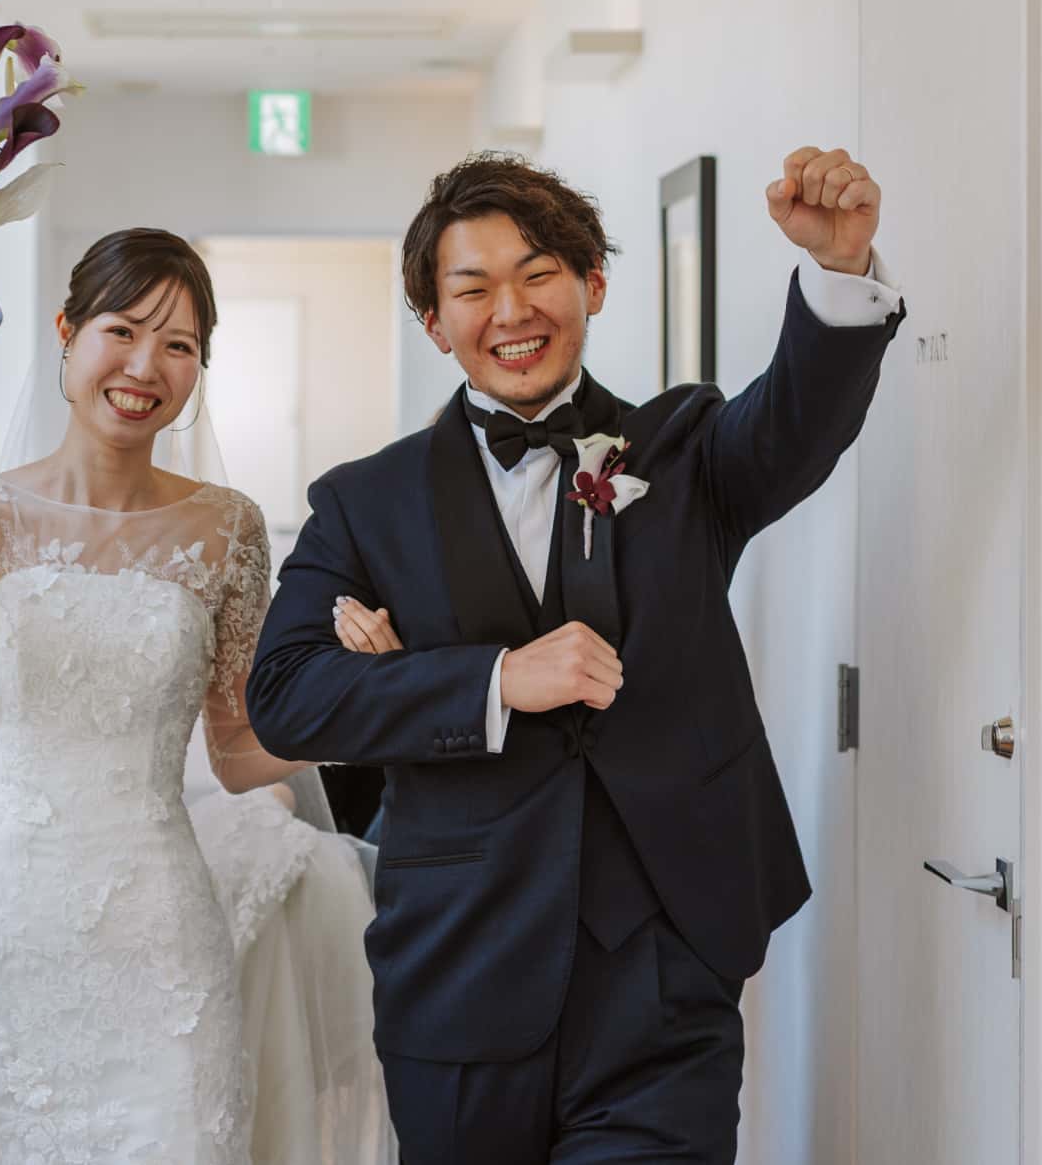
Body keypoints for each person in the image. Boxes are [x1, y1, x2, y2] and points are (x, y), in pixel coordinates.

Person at [246, 148, 906, 1163]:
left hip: (665, 968)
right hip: (458, 973)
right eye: (473, 288)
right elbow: (286, 694)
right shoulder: (363, 503)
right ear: (434, 322)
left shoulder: (681, 451)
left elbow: (794, 423)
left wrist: (839, 268)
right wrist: (492, 679)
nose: (511, 310)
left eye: (539, 273)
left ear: (592, 283)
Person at [0, 228, 318, 1163]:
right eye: (122, 330)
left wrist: (370, 711)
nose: (145, 366)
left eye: (178, 344)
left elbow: (235, 749)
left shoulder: (228, 529)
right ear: (66, 331)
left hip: (162, 953)